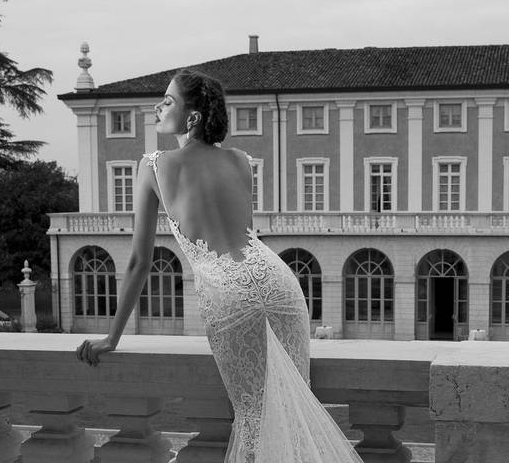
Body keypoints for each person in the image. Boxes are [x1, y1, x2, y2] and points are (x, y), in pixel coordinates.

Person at [76, 70, 363, 463]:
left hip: (227, 293)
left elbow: (140, 262)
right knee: (292, 418)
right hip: (277, 282)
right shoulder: (241, 160)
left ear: (192, 117)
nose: (158, 107)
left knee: (254, 420)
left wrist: (111, 338)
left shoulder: (153, 165)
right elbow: (242, 232)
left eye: (168, 101)